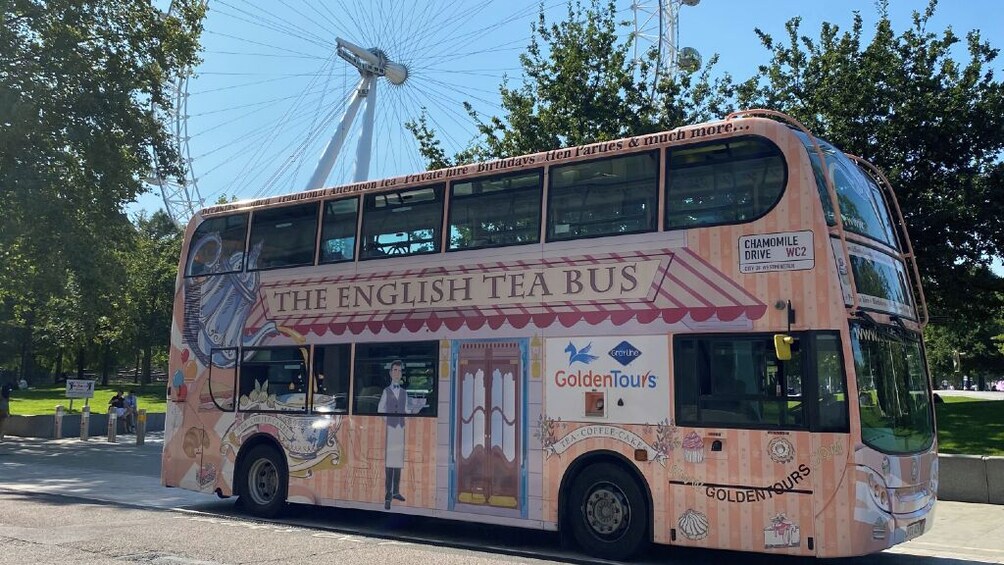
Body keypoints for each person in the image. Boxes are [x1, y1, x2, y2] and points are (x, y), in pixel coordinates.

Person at [377, 360, 426, 510]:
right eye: (395, 370)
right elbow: (380, 409)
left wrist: (415, 410)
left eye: (399, 370)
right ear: (391, 373)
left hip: (400, 429)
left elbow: (406, 410)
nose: (397, 373)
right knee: (389, 462)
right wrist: (389, 420)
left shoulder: (404, 392)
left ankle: (396, 491)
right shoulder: (386, 391)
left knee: (398, 461)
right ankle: (388, 494)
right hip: (392, 428)